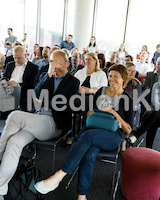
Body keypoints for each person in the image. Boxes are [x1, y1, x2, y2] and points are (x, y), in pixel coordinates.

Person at [0, 50, 80, 200]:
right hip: (38, 119)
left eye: (58, 63)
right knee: (14, 142)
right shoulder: (48, 75)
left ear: (67, 64)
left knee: (15, 115)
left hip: (55, 124)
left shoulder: (73, 82)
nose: (54, 66)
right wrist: (48, 76)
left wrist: (44, 101)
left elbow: (62, 105)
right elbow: (35, 93)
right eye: (51, 62)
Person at [34, 64, 134, 200]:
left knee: (87, 136)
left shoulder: (127, 98)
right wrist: (96, 111)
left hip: (112, 136)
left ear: (123, 78)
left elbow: (128, 129)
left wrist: (113, 112)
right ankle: (82, 196)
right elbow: (89, 112)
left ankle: (59, 175)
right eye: (110, 76)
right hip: (94, 131)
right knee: (89, 154)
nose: (112, 79)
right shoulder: (101, 91)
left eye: (116, 76)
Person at [125, 65, 160, 149]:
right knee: (156, 118)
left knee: (155, 116)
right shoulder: (157, 85)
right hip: (155, 112)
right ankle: (148, 148)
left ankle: (136, 136)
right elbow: (155, 103)